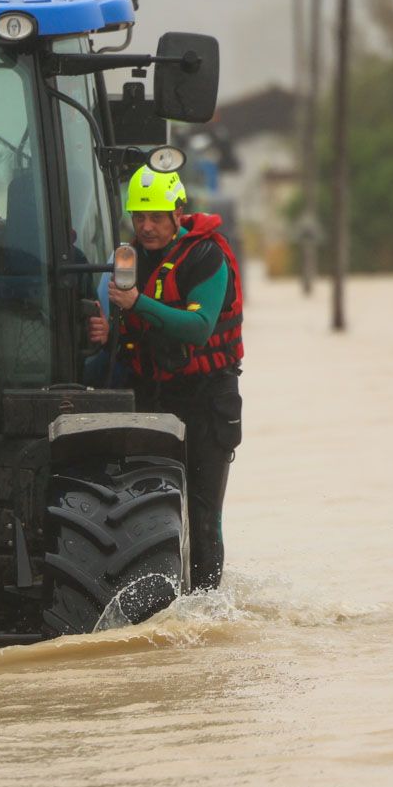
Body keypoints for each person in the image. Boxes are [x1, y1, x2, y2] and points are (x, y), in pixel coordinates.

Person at [88, 166, 244, 590]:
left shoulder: (207, 255)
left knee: (203, 512)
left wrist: (136, 303)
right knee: (148, 509)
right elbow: (133, 334)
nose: (147, 226)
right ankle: (160, 603)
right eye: (139, 217)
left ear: (178, 212)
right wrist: (108, 335)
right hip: (153, 396)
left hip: (208, 399)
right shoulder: (130, 260)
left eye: (156, 216)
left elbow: (198, 328)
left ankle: (207, 608)